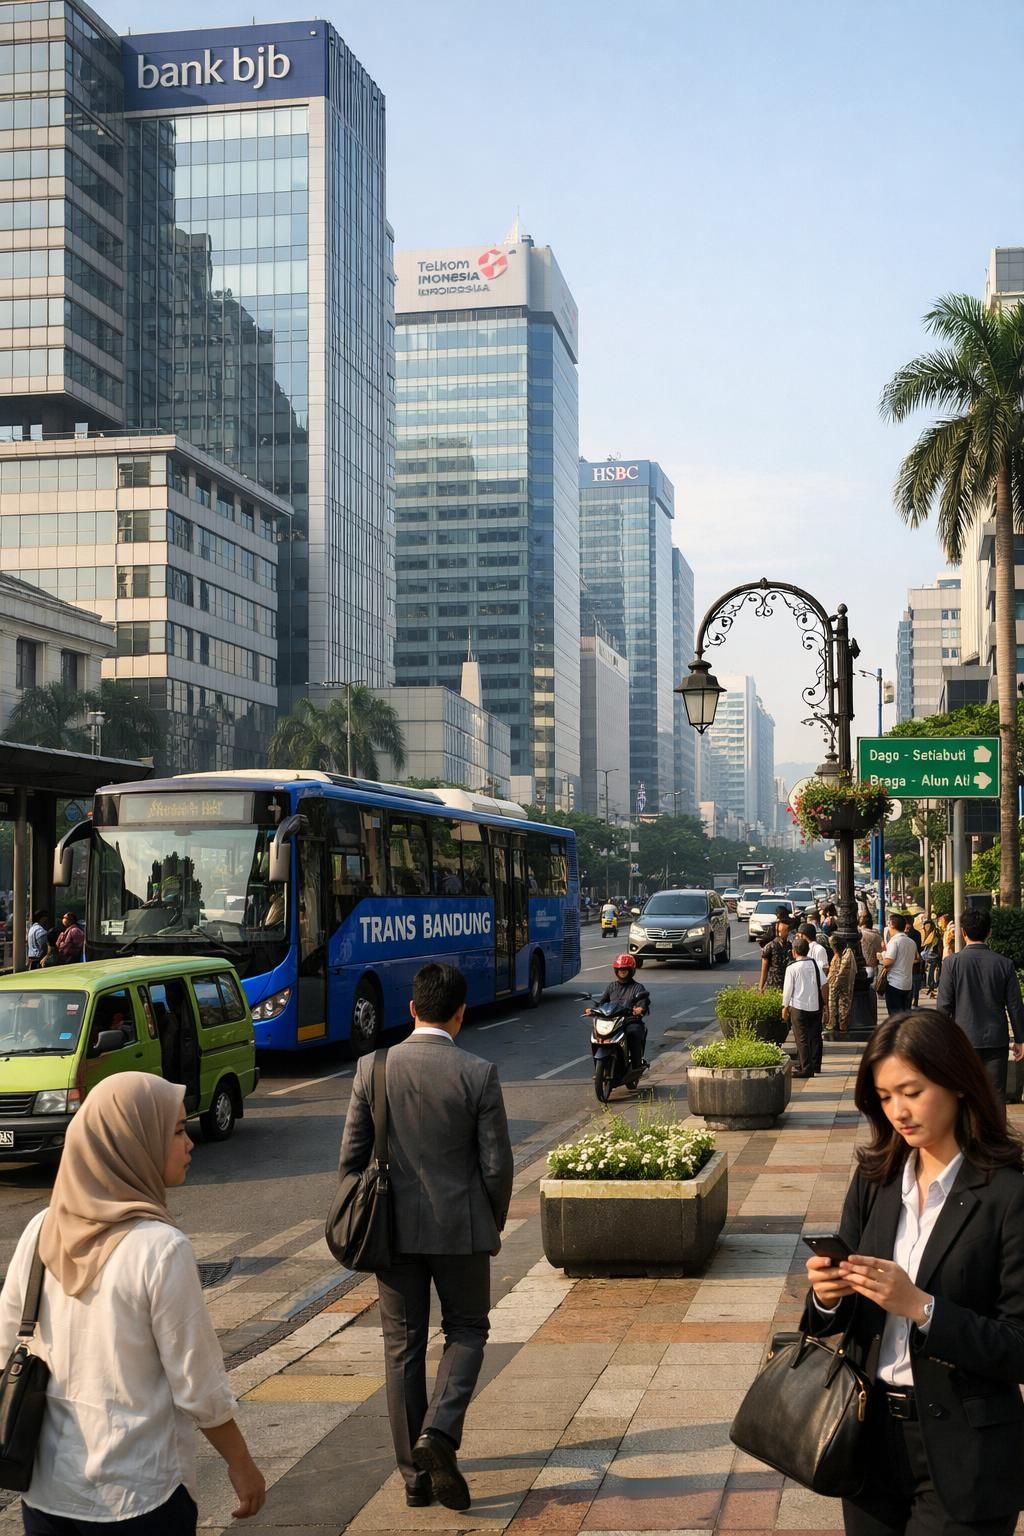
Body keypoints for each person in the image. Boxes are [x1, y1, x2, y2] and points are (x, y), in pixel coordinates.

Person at [0, 1073, 266, 1532]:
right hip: (138, 1495)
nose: (190, 1144)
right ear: (131, 1141)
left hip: (47, 1491)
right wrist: (242, 1464)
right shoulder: (161, 1248)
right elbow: (197, 1382)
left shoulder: (42, 1228)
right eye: (178, 1131)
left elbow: (7, 1342)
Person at [804, 1009, 1024, 1536]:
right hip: (868, 1437)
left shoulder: (1008, 1194)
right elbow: (837, 1316)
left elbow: (1017, 1344)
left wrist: (923, 1308)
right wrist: (828, 1297)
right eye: (884, 1096)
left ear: (958, 1084)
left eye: (911, 1090)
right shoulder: (876, 1178)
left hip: (965, 1452)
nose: (898, 1111)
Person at [336, 963, 513, 1513]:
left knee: (402, 1347)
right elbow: (497, 1167)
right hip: (461, 1229)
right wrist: (491, 1223)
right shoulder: (478, 1073)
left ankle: (414, 1480)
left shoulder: (372, 1068)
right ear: (459, 1015)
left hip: (391, 1233)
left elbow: (350, 1160)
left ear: (412, 1009)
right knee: (466, 1330)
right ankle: (438, 1433)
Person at [936, 906, 1024, 1105]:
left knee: (965, 1095)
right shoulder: (1004, 964)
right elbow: (1015, 1006)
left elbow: (944, 1006)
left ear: (963, 932)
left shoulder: (952, 964)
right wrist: (1020, 1039)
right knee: (995, 1096)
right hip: (996, 1040)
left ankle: (969, 1135)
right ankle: (995, 1135)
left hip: (963, 1040)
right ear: (989, 932)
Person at [586, 953, 650, 1073]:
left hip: (630, 1021)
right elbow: (602, 1002)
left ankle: (636, 1065)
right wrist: (592, 1009)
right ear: (616, 971)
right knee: (596, 1036)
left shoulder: (637, 987)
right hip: (612, 1021)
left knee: (633, 1033)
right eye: (620, 970)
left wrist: (640, 1009)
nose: (622, 972)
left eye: (625, 970)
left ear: (631, 970)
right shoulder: (612, 987)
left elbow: (643, 1002)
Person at [782, 935, 824, 1077]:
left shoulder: (792, 968)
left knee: (801, 1038)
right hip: (815, 1005)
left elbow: (788, 990)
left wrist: (785, 1006)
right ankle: (815, 1065)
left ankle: (806, 1068)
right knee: (815, 1036)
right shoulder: (815, 965)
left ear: (794, 952)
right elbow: (824, 984)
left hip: (798, 1006)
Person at [878, 911, 917, 1015]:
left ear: (892, 924)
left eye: (889, 924)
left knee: (895, 1016)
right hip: (908, 984)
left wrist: (882, 956)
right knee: (905, 1016)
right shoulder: (911, 942)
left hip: (894, 984)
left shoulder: (894, 941)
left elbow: (888, 962)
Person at [824, 933, 856, 1038]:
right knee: (833, 1003)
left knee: (843, 1005)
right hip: (834, 983)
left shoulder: (847, 953)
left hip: (842, 984)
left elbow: (842, 972)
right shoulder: (838, 955)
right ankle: (833, 1023)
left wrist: (834, 982)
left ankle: (841, 1025)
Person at [759, 909, 793, 993]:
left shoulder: (790, 945)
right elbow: (764, 969)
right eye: (787, 931)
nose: (788, 933)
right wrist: (761, 987)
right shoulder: (770, 947)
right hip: (773, 984)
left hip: (788, 984)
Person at [859, 912, 884, 981]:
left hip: (861, 966)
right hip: (873, 966)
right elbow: (881, 951)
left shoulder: (860, 933)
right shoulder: (877, 936)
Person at [920, 917, 941, 997]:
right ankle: (931, 988)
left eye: (928, 926)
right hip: (928, 959)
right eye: (926, 927)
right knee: (929, 975)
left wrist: (939, 958)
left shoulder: (935, 937)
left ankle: (931, 988)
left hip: (933, 958)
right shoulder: (925, 936)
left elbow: (938, 949)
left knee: (932, 975)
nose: (927, 928)